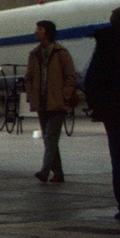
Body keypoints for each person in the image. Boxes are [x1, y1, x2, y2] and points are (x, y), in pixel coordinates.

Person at [79, 7, 120, 221]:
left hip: (113, 113)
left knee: (118, 160)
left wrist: (98, 108)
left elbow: (91, 80)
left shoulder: (105, 44)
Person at [25, 19, 78, 183]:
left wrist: (65, 95)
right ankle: (58, 173)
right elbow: (29, 77)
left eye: (39, 29)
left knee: (50, 138)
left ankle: (44, 171)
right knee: (50, 140)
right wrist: (30, 94)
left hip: (57, 103)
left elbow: (70, 76)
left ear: (47, 33)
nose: (35, 32)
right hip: (41, 103)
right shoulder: (35, 54)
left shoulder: (61, 53)